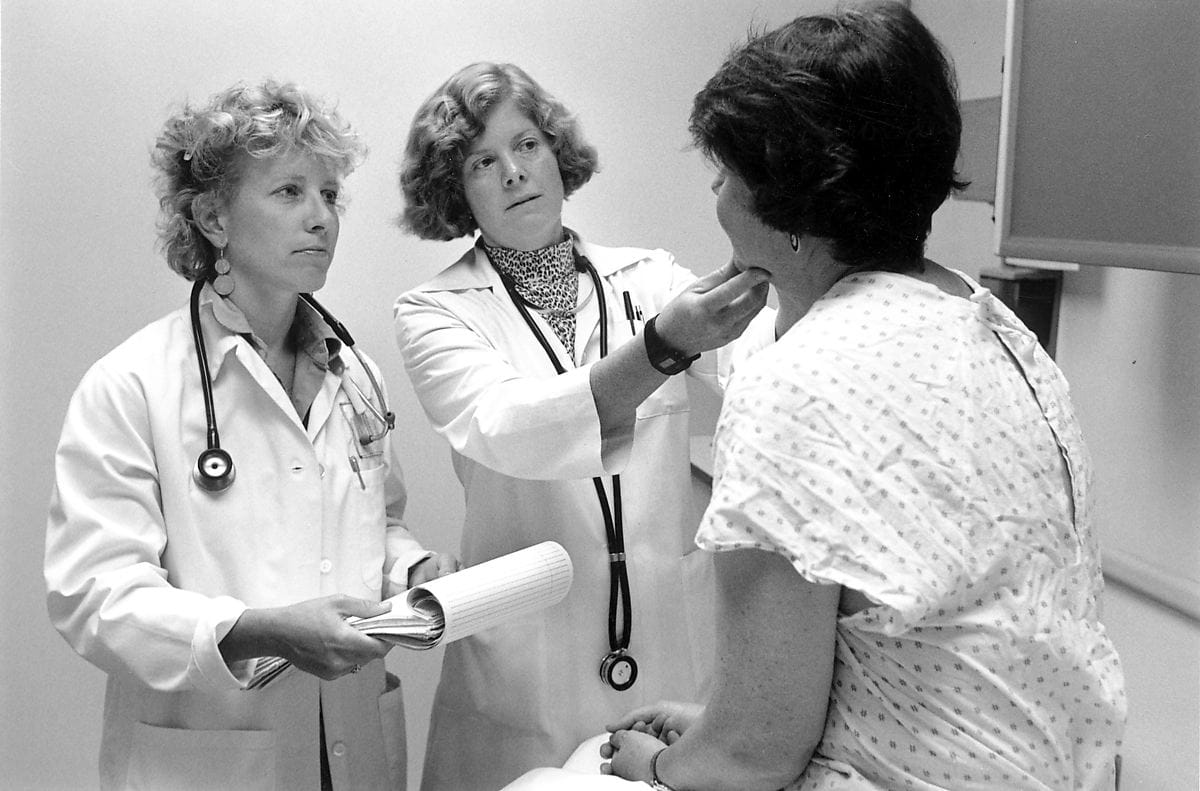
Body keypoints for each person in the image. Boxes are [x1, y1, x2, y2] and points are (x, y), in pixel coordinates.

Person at [506, 4, 1128, 790]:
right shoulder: (997, 329)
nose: (716, 191)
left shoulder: (796, 379)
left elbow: (753, 755)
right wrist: (723, 723)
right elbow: (918, 630)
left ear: (791, 206)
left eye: (726, 172)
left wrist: (662, 764)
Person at [45, 79, 457, 791]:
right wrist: (260, 629)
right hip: (214, 759)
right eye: (290, 191)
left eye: (330, 194)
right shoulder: (133, 384)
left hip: (350, 745)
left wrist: (411, 571)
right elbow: (93, 594)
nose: (322, 218)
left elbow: (375, 523)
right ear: (212, 215)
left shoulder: (355, 374)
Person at [393, 62, 772, 790]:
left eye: (527, 144)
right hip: (525, 669)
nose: (513, 172)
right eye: (483, 161)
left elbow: (757, 374)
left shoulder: (651, 278)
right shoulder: (436, 310)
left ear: (556, 151)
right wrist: (660, 346)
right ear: (456, 189)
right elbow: (509, 425)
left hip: (663, 642)